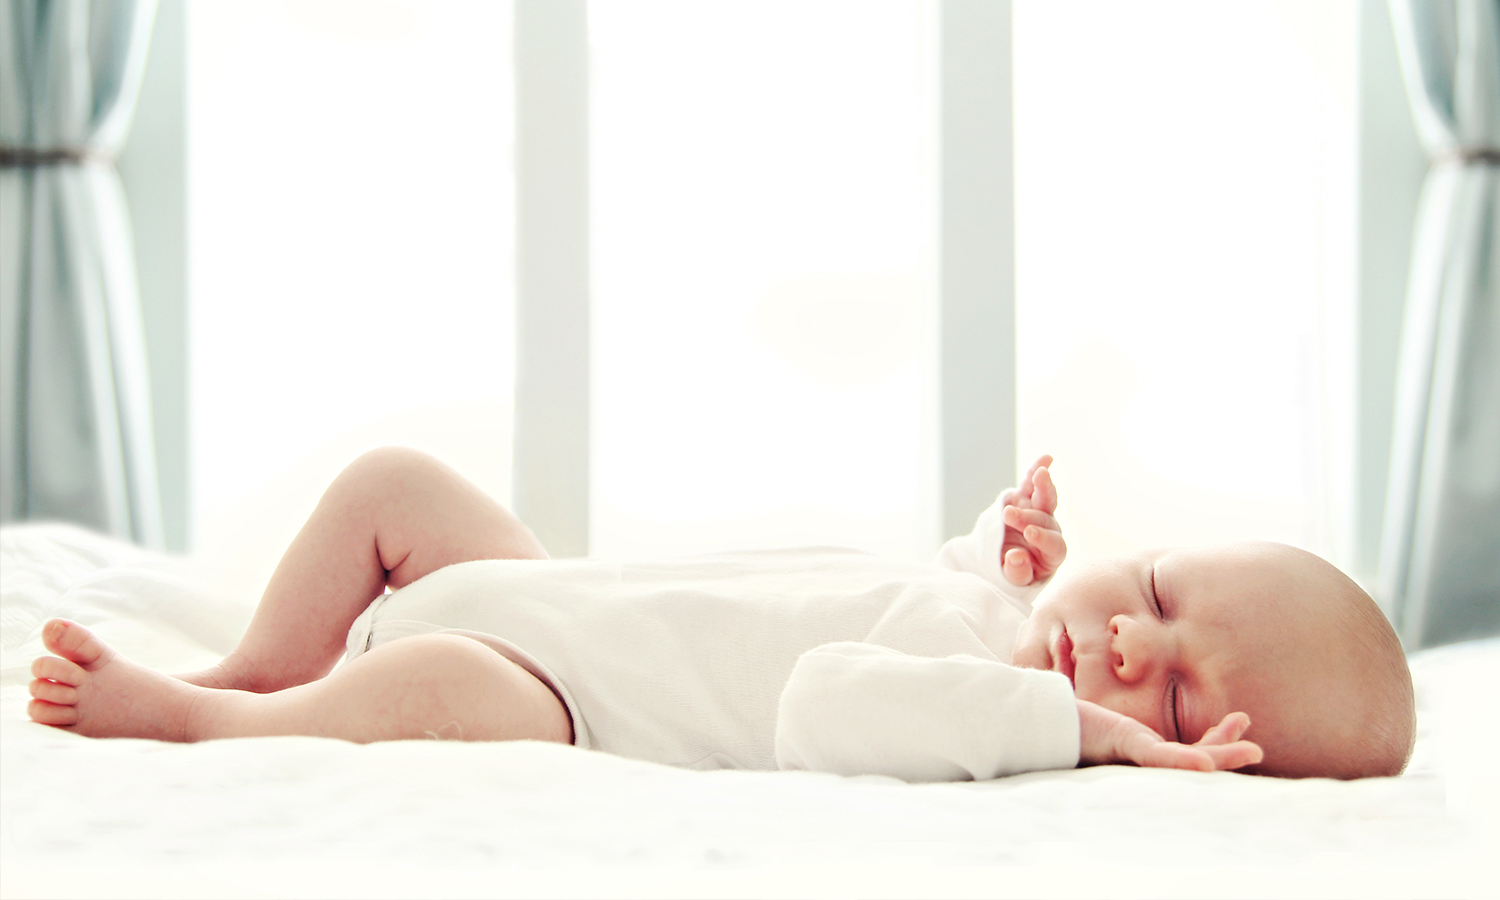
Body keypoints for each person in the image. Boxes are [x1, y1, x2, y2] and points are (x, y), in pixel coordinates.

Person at [25, 447, 1415, 780]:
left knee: (437, 674)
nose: (1123, 647)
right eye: (1160, 595)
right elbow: (948, 597)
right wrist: (1003, 554)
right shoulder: (991, 626)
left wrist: (1088, 739)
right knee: (393, 484)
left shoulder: (989, 715)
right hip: (548, 587)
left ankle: (214, 720)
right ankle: (256, 663)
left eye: (1168, 698)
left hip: (549, 681)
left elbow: (830, 698)